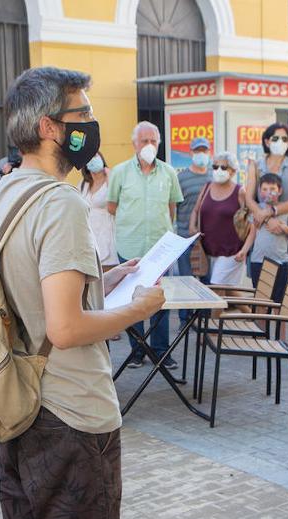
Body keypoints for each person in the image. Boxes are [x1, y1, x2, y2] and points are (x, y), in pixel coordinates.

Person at [0, 66, 165, 519]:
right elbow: (65, 328)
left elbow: (36, 293)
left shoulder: (6, 193)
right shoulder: (60, 204)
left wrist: (107, 280)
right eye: (82, 114)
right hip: (71, 409)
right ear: (50, 126)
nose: (93, 126)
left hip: (17, 403)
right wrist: (137, 306)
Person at [108, 121, 182, 369]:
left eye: (153, 141)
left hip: (160, 249)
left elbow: (172, 207)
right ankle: (137, 350)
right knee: (131, 300)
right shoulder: (119, 172)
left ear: (159, 144)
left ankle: (161, 351)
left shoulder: (169, 172)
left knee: (160, 300)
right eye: (144, 141)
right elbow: (112, 205)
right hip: (130, 246)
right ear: (134, 144)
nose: (149, 145)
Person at [189, 152, 253, 288]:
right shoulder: (207, 187)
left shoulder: (240, 192)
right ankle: (249, 310)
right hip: (208, 250)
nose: (218, 170)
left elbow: (252, 224)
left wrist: (245, 250)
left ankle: (245, 309)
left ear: (233, 171)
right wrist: (192, 227)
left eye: (223, 168)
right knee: (226, 292)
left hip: (232, 251)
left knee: (216, 288)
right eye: (215, 166)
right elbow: (196, 210)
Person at [244, 123, 288, 270]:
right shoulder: (255, 166)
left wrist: (271, 213)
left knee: (287, 283)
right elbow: (249, 199)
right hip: (262, 228)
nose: (280, 142)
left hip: (287, 226)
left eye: (285, 139)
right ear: (267, 141)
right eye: (275, 138)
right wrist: (268, 219)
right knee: (261, 283)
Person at [173, 136, 211, 320]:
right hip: (184, 236)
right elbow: (175, 206)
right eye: (197, 151)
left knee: (207, 280)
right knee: (185, 280)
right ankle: (185, 319)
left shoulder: (213, 175)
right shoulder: (181, 178)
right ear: (191, 153)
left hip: (208, 238)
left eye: (204, 151)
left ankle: (205, 317)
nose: (201, 155)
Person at [248, 173, 288, 282]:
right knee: (259, 296)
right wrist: (243, 251)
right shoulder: (257, 210)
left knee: (277, 297)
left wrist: (285, 228)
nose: (268, 192)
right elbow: (252, 234)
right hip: (258, 261)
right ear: (260, 191)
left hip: (280, 261)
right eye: (264, 189)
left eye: (272, 189)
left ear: (280, 191)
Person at [79, 151, 115, 270]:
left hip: (108, 235)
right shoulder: (84, 184)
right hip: (89, 237)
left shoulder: (111, 178)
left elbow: (115, 201)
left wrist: (110, 176)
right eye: (89, 158)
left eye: (95, 156)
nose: (93, 160)